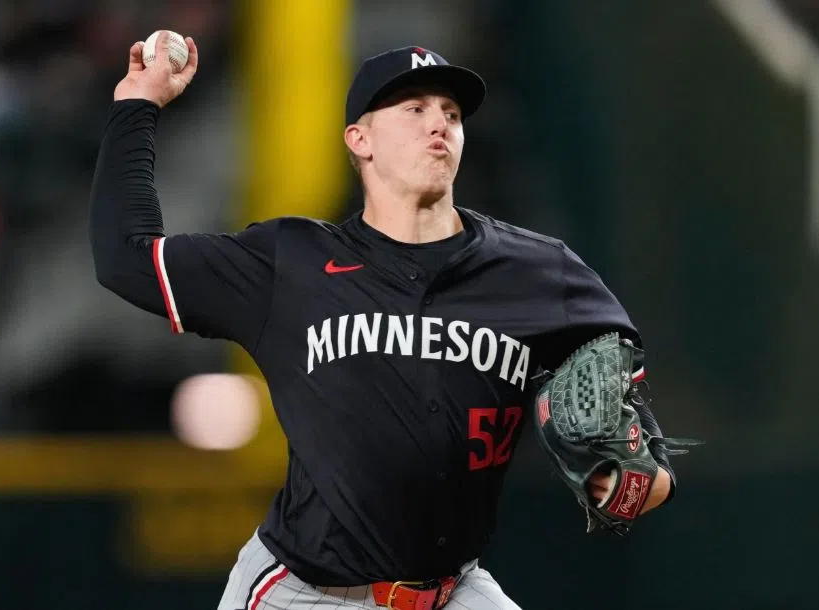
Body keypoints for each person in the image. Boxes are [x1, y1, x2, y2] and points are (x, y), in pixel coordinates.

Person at [90, 32, 676, 610]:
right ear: (360, 139)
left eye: (451, 113)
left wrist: (620, 480)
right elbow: (126, 259)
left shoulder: (541, 273)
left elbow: (646, 470)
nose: (438, 123)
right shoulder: (291, 263)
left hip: (453, 591)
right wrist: (137, 105)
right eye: (414, 109)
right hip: (306, 594)